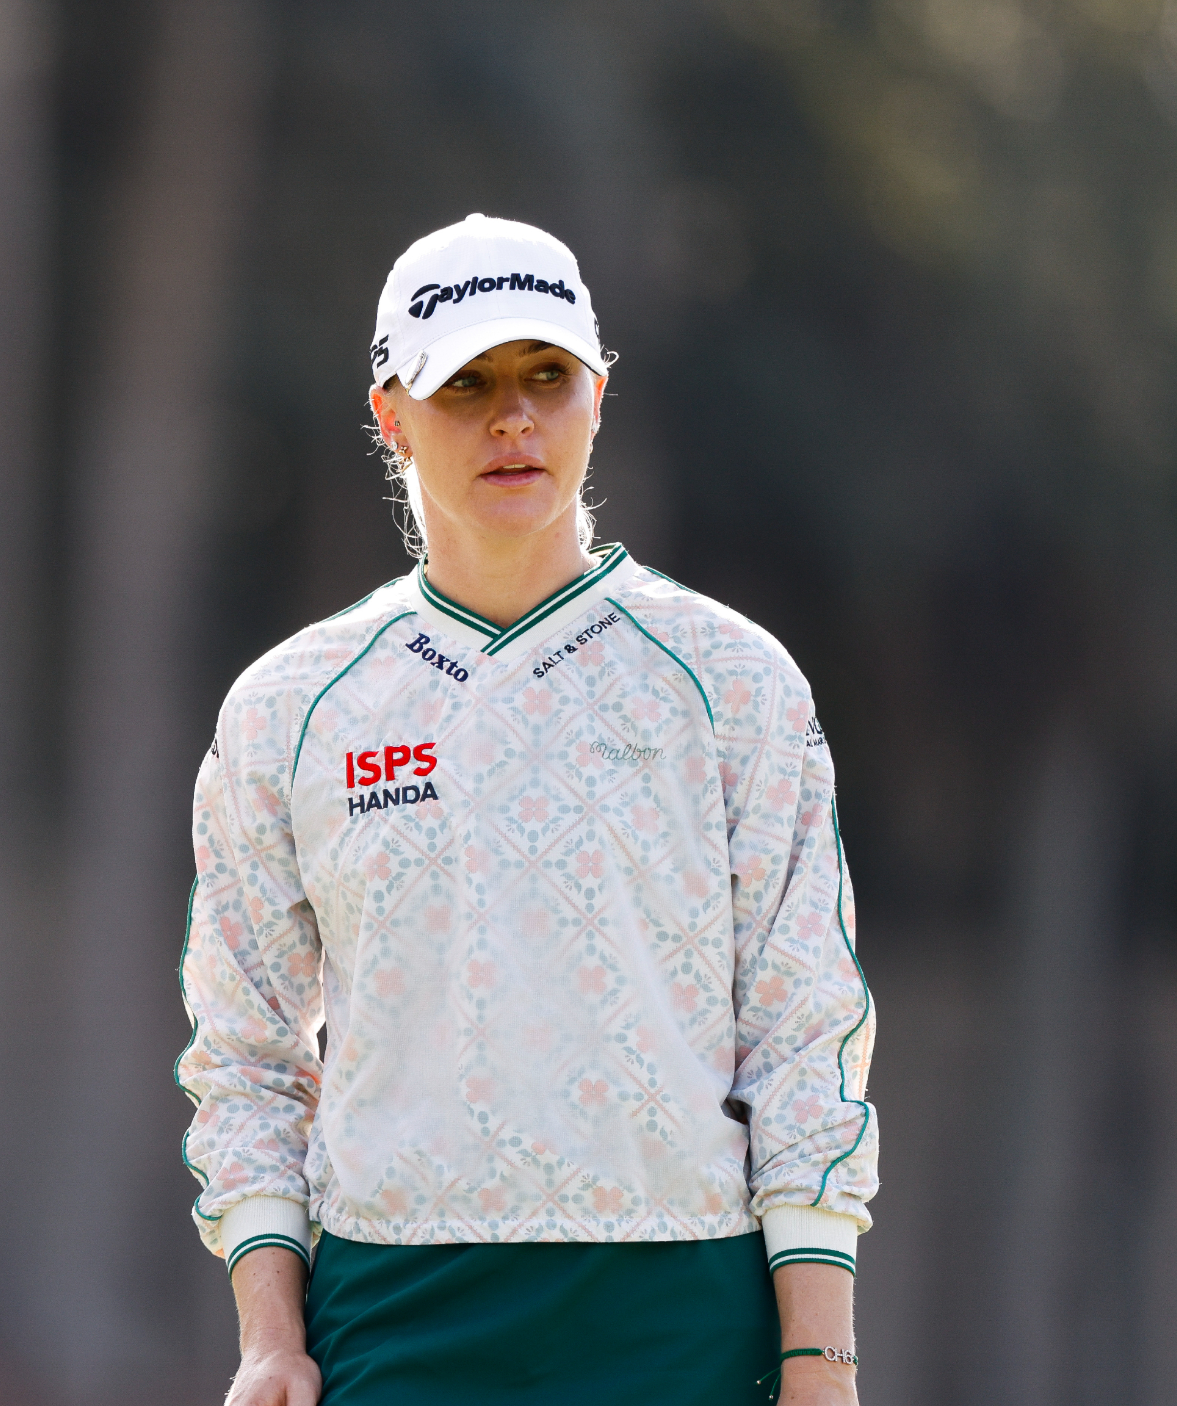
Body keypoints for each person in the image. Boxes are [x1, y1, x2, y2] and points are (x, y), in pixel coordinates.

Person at [177, 214, 875, 1406]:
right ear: (390, 413)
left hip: (683, 1319)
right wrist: (266, 1335)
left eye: (545, 377)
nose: (512, 418)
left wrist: (819, 1356)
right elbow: (243, 1052)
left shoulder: (736, 682)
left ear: (598, 394)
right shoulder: (287, 708)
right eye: (466, 384)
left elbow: (805, 1022)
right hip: (389, 1317)